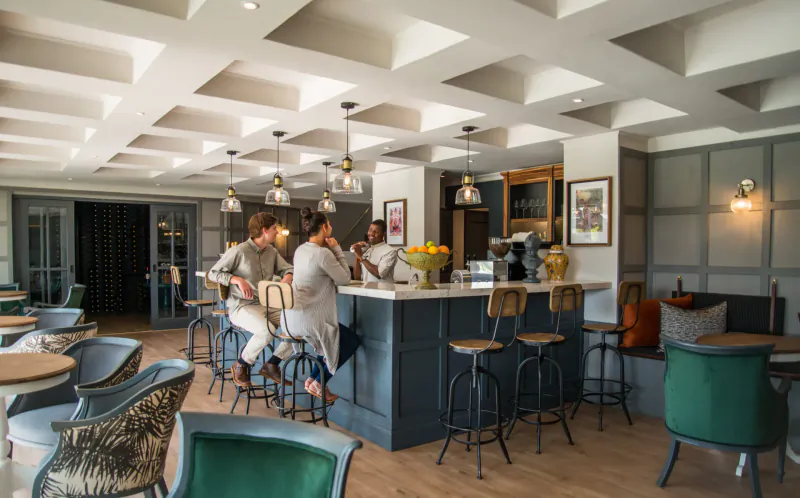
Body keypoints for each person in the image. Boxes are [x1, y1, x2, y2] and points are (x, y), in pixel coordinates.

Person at [207, 212, 294, 387]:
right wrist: (236, 279)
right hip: (242, 306)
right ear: (264, 230)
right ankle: (242, 364)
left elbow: (287, 269)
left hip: (267, 304)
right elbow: (213, 273)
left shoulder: (271, 252)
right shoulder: (238, 251)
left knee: (297, 327)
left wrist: (288, 277)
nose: (277, 232)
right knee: (268, 330)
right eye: (274, 229)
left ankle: (272, 364)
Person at [282, 208, 360, 402]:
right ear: (325, 227)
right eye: (330, 224)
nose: (331, 227)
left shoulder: (300, 250)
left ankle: (313, 380)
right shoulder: (323, 254)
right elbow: (344, 279)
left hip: (292, 319)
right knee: (349, 341)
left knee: (327, 341)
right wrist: (336, 249)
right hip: (311, 320)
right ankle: (319, 382)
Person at [351, 219, 398, 283]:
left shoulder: (390, 251)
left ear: (383, 234)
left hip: (383, 292)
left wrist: (361, 257)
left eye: (376, 232)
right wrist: (357, 254)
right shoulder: (368, 250)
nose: (372, 234)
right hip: (365, 291)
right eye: (370, 230)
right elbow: (357, 277)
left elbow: (379, 274)